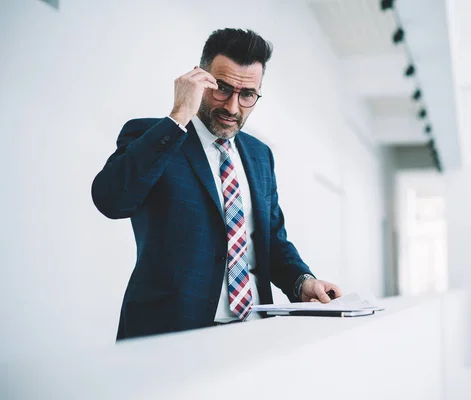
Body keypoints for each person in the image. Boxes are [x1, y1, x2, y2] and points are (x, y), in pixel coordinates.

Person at [92, 28, 342, 340]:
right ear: (199, 79)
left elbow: (271, 242)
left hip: (252, 333)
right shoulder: (153, 136)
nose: (233, 107)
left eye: (247, 94)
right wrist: (179, 115)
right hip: (167, 335)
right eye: (222, 88)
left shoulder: (260, 155)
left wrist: (303, 281)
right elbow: (111, 200)